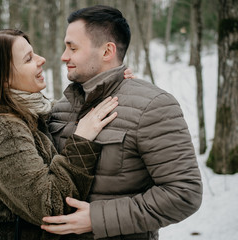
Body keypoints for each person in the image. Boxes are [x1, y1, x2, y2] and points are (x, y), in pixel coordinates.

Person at [42, 5, 203, 240]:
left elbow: (184, 193)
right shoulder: (61, 108)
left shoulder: (153, 105)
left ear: (107, 51)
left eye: (73, 48)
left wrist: (97, 219)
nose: (64, 56)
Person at [0, 29, 121, 240]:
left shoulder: (30, 110)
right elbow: (49, 207)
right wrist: (81, 141)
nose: (41, 60)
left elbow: (63, 111)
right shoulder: (4, 130)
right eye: (28, 59)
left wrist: (108, 83)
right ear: (4, 79)